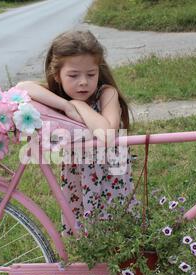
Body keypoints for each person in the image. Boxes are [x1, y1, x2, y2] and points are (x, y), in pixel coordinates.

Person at [17, 30, 138, 235]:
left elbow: (107, 134)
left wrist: (78, 106)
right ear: (58, 75)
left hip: (111, 175)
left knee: (118, 230)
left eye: (91, 74)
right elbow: (22, 86)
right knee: (86, 228)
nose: (83, 82)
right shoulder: (58, 95)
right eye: (73, 75)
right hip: (79, 176)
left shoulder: (106, 94)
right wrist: (64, 105)